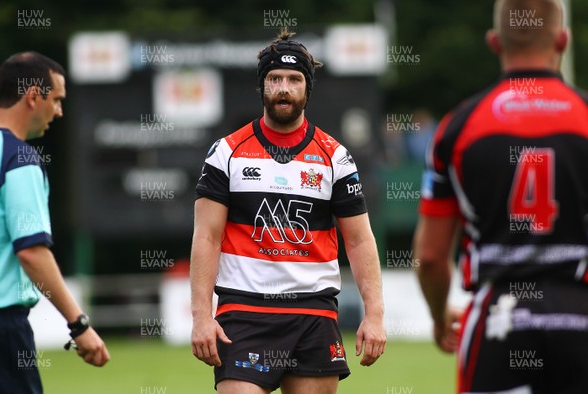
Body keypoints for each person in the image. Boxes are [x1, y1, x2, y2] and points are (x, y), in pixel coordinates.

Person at [191, 29, 386, 394]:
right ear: (262, 87)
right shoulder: (226, 152)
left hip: (314, 312)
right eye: (274, 79)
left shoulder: (336, 157)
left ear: (307, 89)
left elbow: (359, 240)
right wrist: (201, 315)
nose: (284, 87)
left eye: (294, 80)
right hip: (244, 312)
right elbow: (206, 236)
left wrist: (374, 314)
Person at [413, 0, 588, 393]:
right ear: (562, 39)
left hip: (500, 316)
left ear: (494, 42)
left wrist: (440, 318)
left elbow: (430, 257)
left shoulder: (459, 127)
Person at [0, 52, 110, 394]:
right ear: (33, 96)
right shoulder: (18, 158)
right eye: (56, 100)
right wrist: (79, 324)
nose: (59, 112)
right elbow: (31, 252)